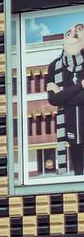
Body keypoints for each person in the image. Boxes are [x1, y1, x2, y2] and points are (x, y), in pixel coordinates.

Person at [44, 24, 84, 176]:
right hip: (70, 127)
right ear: (63, 42)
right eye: (69, 32)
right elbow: (53, 100)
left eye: (79, 29)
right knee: (78, 173)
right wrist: (80, 85)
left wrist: (62, 94)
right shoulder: (54, 67)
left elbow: (59, 98)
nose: (73, 33)